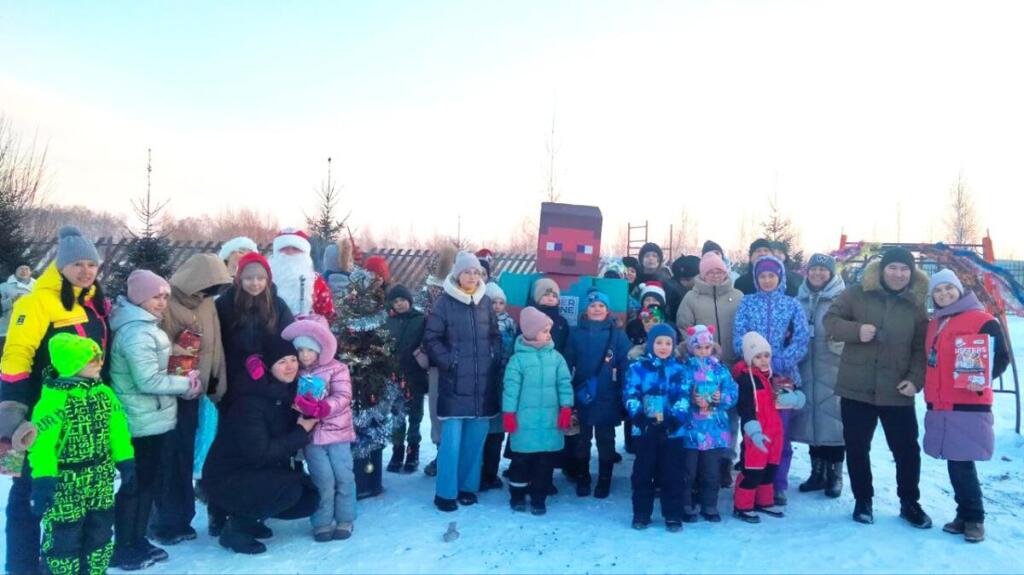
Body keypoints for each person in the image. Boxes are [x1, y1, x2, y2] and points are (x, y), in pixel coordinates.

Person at [0, 226, 109, 574]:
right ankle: (20, 565)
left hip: (77, 413)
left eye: (91, 264)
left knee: (63, 493)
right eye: (77, 263)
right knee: (27, 493)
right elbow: (17, 354)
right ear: (60, 265)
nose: (85, 271)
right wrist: (14, 412)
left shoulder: (90, 302)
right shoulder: (35, 301)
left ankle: (58, 562)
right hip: (38, 410)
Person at [823, 247, 932, 528]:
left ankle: (910, 502)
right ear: (883, 269)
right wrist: (855, 331)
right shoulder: (857, 293)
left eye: (904, 269)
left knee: (907, 450)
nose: (898, 274)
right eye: (893, 268)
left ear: (912, 273)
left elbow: (921, 349)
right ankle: (863, 500)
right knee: (858, 447)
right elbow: (831, 320)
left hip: (898, 389)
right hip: (856, 386)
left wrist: (915, 379)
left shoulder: (916, 304)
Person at [109, 271, 203, 570]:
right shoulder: (137, 331)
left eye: (165, 296)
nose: (162, 302)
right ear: (139, 298)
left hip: (151, 419)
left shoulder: (145, 326)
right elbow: (147, 380)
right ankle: (125, 545)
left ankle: (137, 539)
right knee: (136, 485)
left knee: (146, 483)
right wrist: (185, 385)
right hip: (139, 422)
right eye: (155, 297)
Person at [29, 333, 134, 575]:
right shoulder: (53, 401)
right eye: (92, 359)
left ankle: (95, 571)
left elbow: (118, 430)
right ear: (72, 364)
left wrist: (126, 461)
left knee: (100, 531)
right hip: (66, 482)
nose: (99, 363)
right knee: (64, 535)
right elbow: (42, 444)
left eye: (99, 357)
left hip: (101, 477)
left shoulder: (104, 393)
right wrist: (44, 478)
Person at [202, 335, 319, 554]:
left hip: (253, 472)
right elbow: (259, 453)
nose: (290, 366)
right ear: (267, 366)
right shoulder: (250, 401)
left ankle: (251, 517)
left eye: (293, 359)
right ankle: (236, 529)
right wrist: (301, 431)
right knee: (291, 490)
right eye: (281, 362)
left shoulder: (286, 393)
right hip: (227, 477)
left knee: (309, 495)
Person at [923, 269, 1009, 543]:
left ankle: (974, 519)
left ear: (959, 289)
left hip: (968, 401)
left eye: (949, 288)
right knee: (955, 461)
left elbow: (1001, 357)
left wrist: (983, 378)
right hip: (941, 401)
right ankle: (964, 514)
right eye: (938, 290)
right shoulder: (936, 322)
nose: (944, 294)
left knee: (962, 463)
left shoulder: (983, 320)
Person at [155, 253, 232, 545]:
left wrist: (217, 382)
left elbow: (217, 346)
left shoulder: (208, 302)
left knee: (187, 454)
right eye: (207, 286)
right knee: (170, 457)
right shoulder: (167, 303)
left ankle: (182, 518)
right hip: (172, 390)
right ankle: (165, 521)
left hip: (200, 391)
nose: (210, 293)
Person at [423, 251, 500, 512]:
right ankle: (445, 492)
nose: (472, 276)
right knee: (451, 442)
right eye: (467, 271)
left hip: (482, 383)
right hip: (455, 382)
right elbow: (431, 339)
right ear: (457, 274)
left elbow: (495, 335)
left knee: (475, 440)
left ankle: (468, 488)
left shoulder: (486, 302)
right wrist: (450, 361)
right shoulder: (445, 303)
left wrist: (493, 357)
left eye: (476, 272)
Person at [732, 255, 809, 505]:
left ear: (780, 277)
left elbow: (801, 339)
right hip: (753, 379)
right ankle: (751, 480)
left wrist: (778, 362)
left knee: (780, 434)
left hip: (782, 378)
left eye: (771, 276)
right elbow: (738, 336)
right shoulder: (747, 303)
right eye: (762, 276)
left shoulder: (792, 305)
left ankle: (777, 483)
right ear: (756, 278)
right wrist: (754, 361)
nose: (767, 280)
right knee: (754, 430)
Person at [282, 316, 357, 542]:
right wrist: (299, 406)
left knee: (344, 476)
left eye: (310, 349)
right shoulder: (295, 372)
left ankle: (345, 518)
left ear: (320, 348)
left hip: (338, 433)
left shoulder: (337, 369)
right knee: (322, 479)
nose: (304, 355)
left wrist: (324, 406)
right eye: (301, 350)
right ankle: (322, 521)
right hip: (312, 437)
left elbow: (343, 396)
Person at [675, 251, 744, 487]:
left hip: (731, 364)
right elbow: (684, 326)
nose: (716, 275)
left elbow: (743, 326)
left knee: (728, 415)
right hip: (701, 365)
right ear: (703, 274)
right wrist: (700, 349)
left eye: (719, 271)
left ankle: (724, 460)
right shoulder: (691, 298)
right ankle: (697, 460)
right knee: (700, 411)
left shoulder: (738, 296)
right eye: (710, 271)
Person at [502, 307, 573, 515]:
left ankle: (539, 497)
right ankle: (517, 495)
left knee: (545, 463)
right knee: (521, 461)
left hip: (550, 421)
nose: (548, 334)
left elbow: (564, 384)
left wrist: (566, 407)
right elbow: (510, 389)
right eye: (544, 330)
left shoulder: (557, 358)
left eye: (549, 330)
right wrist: (509, 413)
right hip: (525, 423)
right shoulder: (518, 360)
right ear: (531, 332)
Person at [564, 290, 631, 498]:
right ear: (586, 309)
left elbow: (625, 365)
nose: (597, 309)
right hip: (582, 395)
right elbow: (567, 363)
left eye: (601, 306)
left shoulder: (618, 335)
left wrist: (623, 393)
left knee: (606, 441)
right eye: (592, 306)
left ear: (607, 310)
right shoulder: (575, 334)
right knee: (581, 442)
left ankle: (604, 480)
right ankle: (583, 477)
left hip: (607, 397)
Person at [791, 254, 847, 498]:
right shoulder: (798, 300)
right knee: (812, 420)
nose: (817, 274)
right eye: (813, 269)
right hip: (805, 367)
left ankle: (835, 475)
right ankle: (817, 472)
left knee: (834, 422)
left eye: (823, 270)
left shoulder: (844, 299)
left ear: (831, 273)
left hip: (834, 367)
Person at [623, 324, 689, 531]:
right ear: (651, 344)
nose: (663, 347)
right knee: (643, 473)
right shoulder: (637, 368)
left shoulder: (680, 369)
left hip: (672, 432)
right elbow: (630, 394)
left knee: (672, 473)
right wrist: (640, 418)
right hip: (645, 430)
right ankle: (641, 513)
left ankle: (672, 514)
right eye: (659, 342)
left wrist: (674, 421)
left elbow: (684, 397)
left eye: (668, 343)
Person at [215, 252, 295, 410]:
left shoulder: (278, 305)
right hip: (234, 376)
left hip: (267, 376)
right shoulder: (225, 304)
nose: (255, 283)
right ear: (239, 279)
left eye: (260, 278)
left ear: (268, 279)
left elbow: (288, 338)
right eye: (249, 278)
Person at [679, 325, 738, 523]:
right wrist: (692, 399)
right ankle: (686, 503)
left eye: (707, 347)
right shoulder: (685, 370)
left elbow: (732, 392)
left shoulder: (720, 370)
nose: (703, 351)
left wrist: (721, 398)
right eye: (699, 347)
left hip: (714, 430)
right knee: (688, 470)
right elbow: (678, 393)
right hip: (691, 430)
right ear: (691, 348)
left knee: (712, 471)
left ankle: (709, 504)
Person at [732, 332, 785, 523]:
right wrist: (752, 430)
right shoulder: (745, 380)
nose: (763, 360)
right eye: (758, 356)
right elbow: (745, 407)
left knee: (770, 469)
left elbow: (776, 402)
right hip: (756, 432)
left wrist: (792, 398)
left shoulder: (770, 377)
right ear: (749, 358)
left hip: (774, 431)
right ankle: (742, 505)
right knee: (753, 470)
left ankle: (764, 501)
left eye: (766, 355)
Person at [421, 245, 457, 477]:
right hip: (438, 361)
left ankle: (451, 453)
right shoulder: (430, 293)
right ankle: (441, 452)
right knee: (437, 408)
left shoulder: (467, 292)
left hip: (462, 362)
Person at [384, 285, 428, 474]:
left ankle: (412, 451)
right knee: (397, 416)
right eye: (395, 301)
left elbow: (427, 341)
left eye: (402, 300)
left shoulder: (420, 320)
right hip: (394, 376)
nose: (399, 304)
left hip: (415, 375)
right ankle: (397, 450)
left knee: (415, 415)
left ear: (409, 300)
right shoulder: (388, 321)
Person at [480, 282, 516, 491]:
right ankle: (479, 471)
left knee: (497, 431)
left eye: (501, 302)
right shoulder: (479, 322)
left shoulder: (510, 324)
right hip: (484, 379)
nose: (497, 306)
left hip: (503, 378)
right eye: (493, 302)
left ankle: (491, 473)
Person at [268, 228, 335, 320]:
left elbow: (327, 313)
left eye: (295, 248)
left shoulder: (316, 280)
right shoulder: (264, 279)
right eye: (284, 248)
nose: (289, 252)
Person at [636, 243, 683, 319]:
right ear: (641, 260)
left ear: (659, 260)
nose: (650, 258)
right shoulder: (635, 280)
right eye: (647, 255)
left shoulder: (667, 283)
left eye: (654, 256)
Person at [1, 262, 35, 346]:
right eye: (20, 269)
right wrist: (12, 301)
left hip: (31, 332)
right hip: (5, 332)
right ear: (15, 272)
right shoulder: (3, 286)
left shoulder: (39, 287)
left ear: (31, 272)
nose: (23, 271)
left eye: (26, 269)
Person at [531, 278, 569, 354]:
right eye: (546, 295)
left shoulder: (561, 322)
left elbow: (565, 345)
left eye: (554, 296)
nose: (550, 298)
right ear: (538, 297)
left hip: (554, 361)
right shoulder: (530, 317)